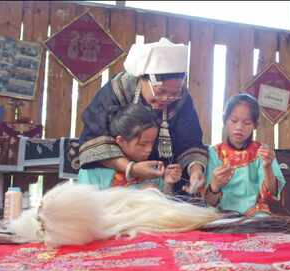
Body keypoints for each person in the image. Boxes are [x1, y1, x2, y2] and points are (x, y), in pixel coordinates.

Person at [79, 38, 207, 194]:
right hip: (111, 175)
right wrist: (130, 168)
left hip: (159, 179)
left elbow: (190, 141)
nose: (166, 99)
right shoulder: (118, 91)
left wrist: (195, 170)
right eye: (160, 92)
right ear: (143, 79)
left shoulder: (182, 100)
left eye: (173, 94)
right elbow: (94, 139)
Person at [204, 94, 286, 216]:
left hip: (255, 214)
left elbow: (272, 194)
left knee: (261, 219)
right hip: (221, 215)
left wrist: (267, 167)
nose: (239, 127)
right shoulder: (214, 153)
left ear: (255, 125)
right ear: (225, 120)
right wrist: (215, 185)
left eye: (247, 123)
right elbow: (209, 202)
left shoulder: (262, 152)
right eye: (233, 121)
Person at [78, 104, 182, 194]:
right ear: (121, 141)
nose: (149, 149)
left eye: (153, 143)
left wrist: (168, 184)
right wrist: (139, 196)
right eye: (142, 144)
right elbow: (88, 208)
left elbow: (162, 208)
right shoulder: (92, 171)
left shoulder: (151, 170)